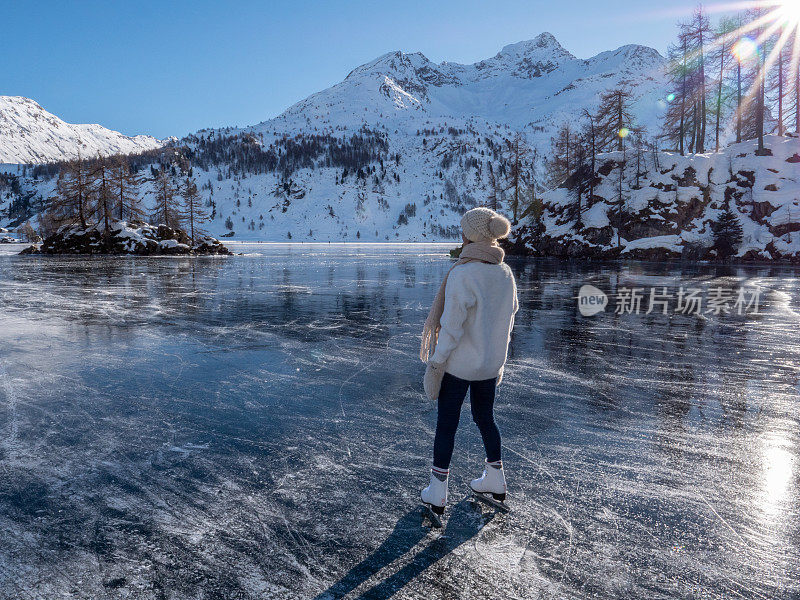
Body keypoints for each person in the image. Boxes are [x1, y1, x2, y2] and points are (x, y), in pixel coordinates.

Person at [419, 207, 519, 517]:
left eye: (463, 230)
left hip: (460, 367)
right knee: (485, 418)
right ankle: (496, 478)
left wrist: (436, 362)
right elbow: (509, 318)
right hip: (489, 365)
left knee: (447, 424)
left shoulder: (463, 273)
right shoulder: (505, 272)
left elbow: (451, 328)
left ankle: (437, 490)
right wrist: (498, 360)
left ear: (471, 235)